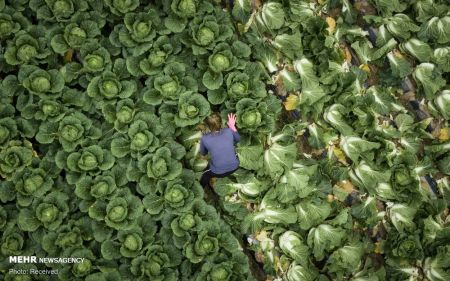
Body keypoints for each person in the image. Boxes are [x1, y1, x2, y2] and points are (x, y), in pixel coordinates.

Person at [199, 112, 240, 190]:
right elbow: (238, 139)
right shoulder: (229, 131)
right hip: (235, 167)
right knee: (233, 153)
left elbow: (203, 154)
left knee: (205, 174)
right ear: (221, 123)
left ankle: (201, 189)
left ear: (207, 126)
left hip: (218, 172)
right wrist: (232, 126)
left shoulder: (204, 138)